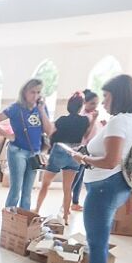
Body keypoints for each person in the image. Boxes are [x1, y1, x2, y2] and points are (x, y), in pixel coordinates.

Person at [62, 74, 132, 263]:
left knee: (97, 239)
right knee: (98, 236)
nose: (104, 102)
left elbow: (110, 160)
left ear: (118, 96)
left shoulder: (117, 122)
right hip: (113, 185)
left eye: (107, 96)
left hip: (105, 187)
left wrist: (82, 158)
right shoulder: (129, 119)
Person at [0, 79, 55, 210]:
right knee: (16, 189)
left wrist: (41, 110)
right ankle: (10, 221)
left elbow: (49, 130)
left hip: (34, 152)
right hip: (17, 151)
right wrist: (7, 135)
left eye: (38, 92)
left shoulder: (41, 107)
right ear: (24, 92)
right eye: (32, 92)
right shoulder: (15, 108)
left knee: (27, 191)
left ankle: (23, 222)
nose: (35, 96)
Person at [34, 92, 90, 223]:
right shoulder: (84, 121)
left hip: (60, 149)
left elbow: (52, 134)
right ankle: (65, 217)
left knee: (45, 184)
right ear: (80, 107)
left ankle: (37, 209)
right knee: (67, 188)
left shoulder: (61, 120)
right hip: (74, 152)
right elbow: (86, 136)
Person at [70, 89, 102, 211]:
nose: (95, 106)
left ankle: (75, 202)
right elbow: (86, 134)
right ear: (85, 103)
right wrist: (94, 119)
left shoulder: (92, 116)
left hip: (88, 150)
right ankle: (66, 202)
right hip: (81, 149)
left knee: (80, 178)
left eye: (96, 103)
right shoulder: (83, 116)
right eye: (92, 103)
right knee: (75, 178)